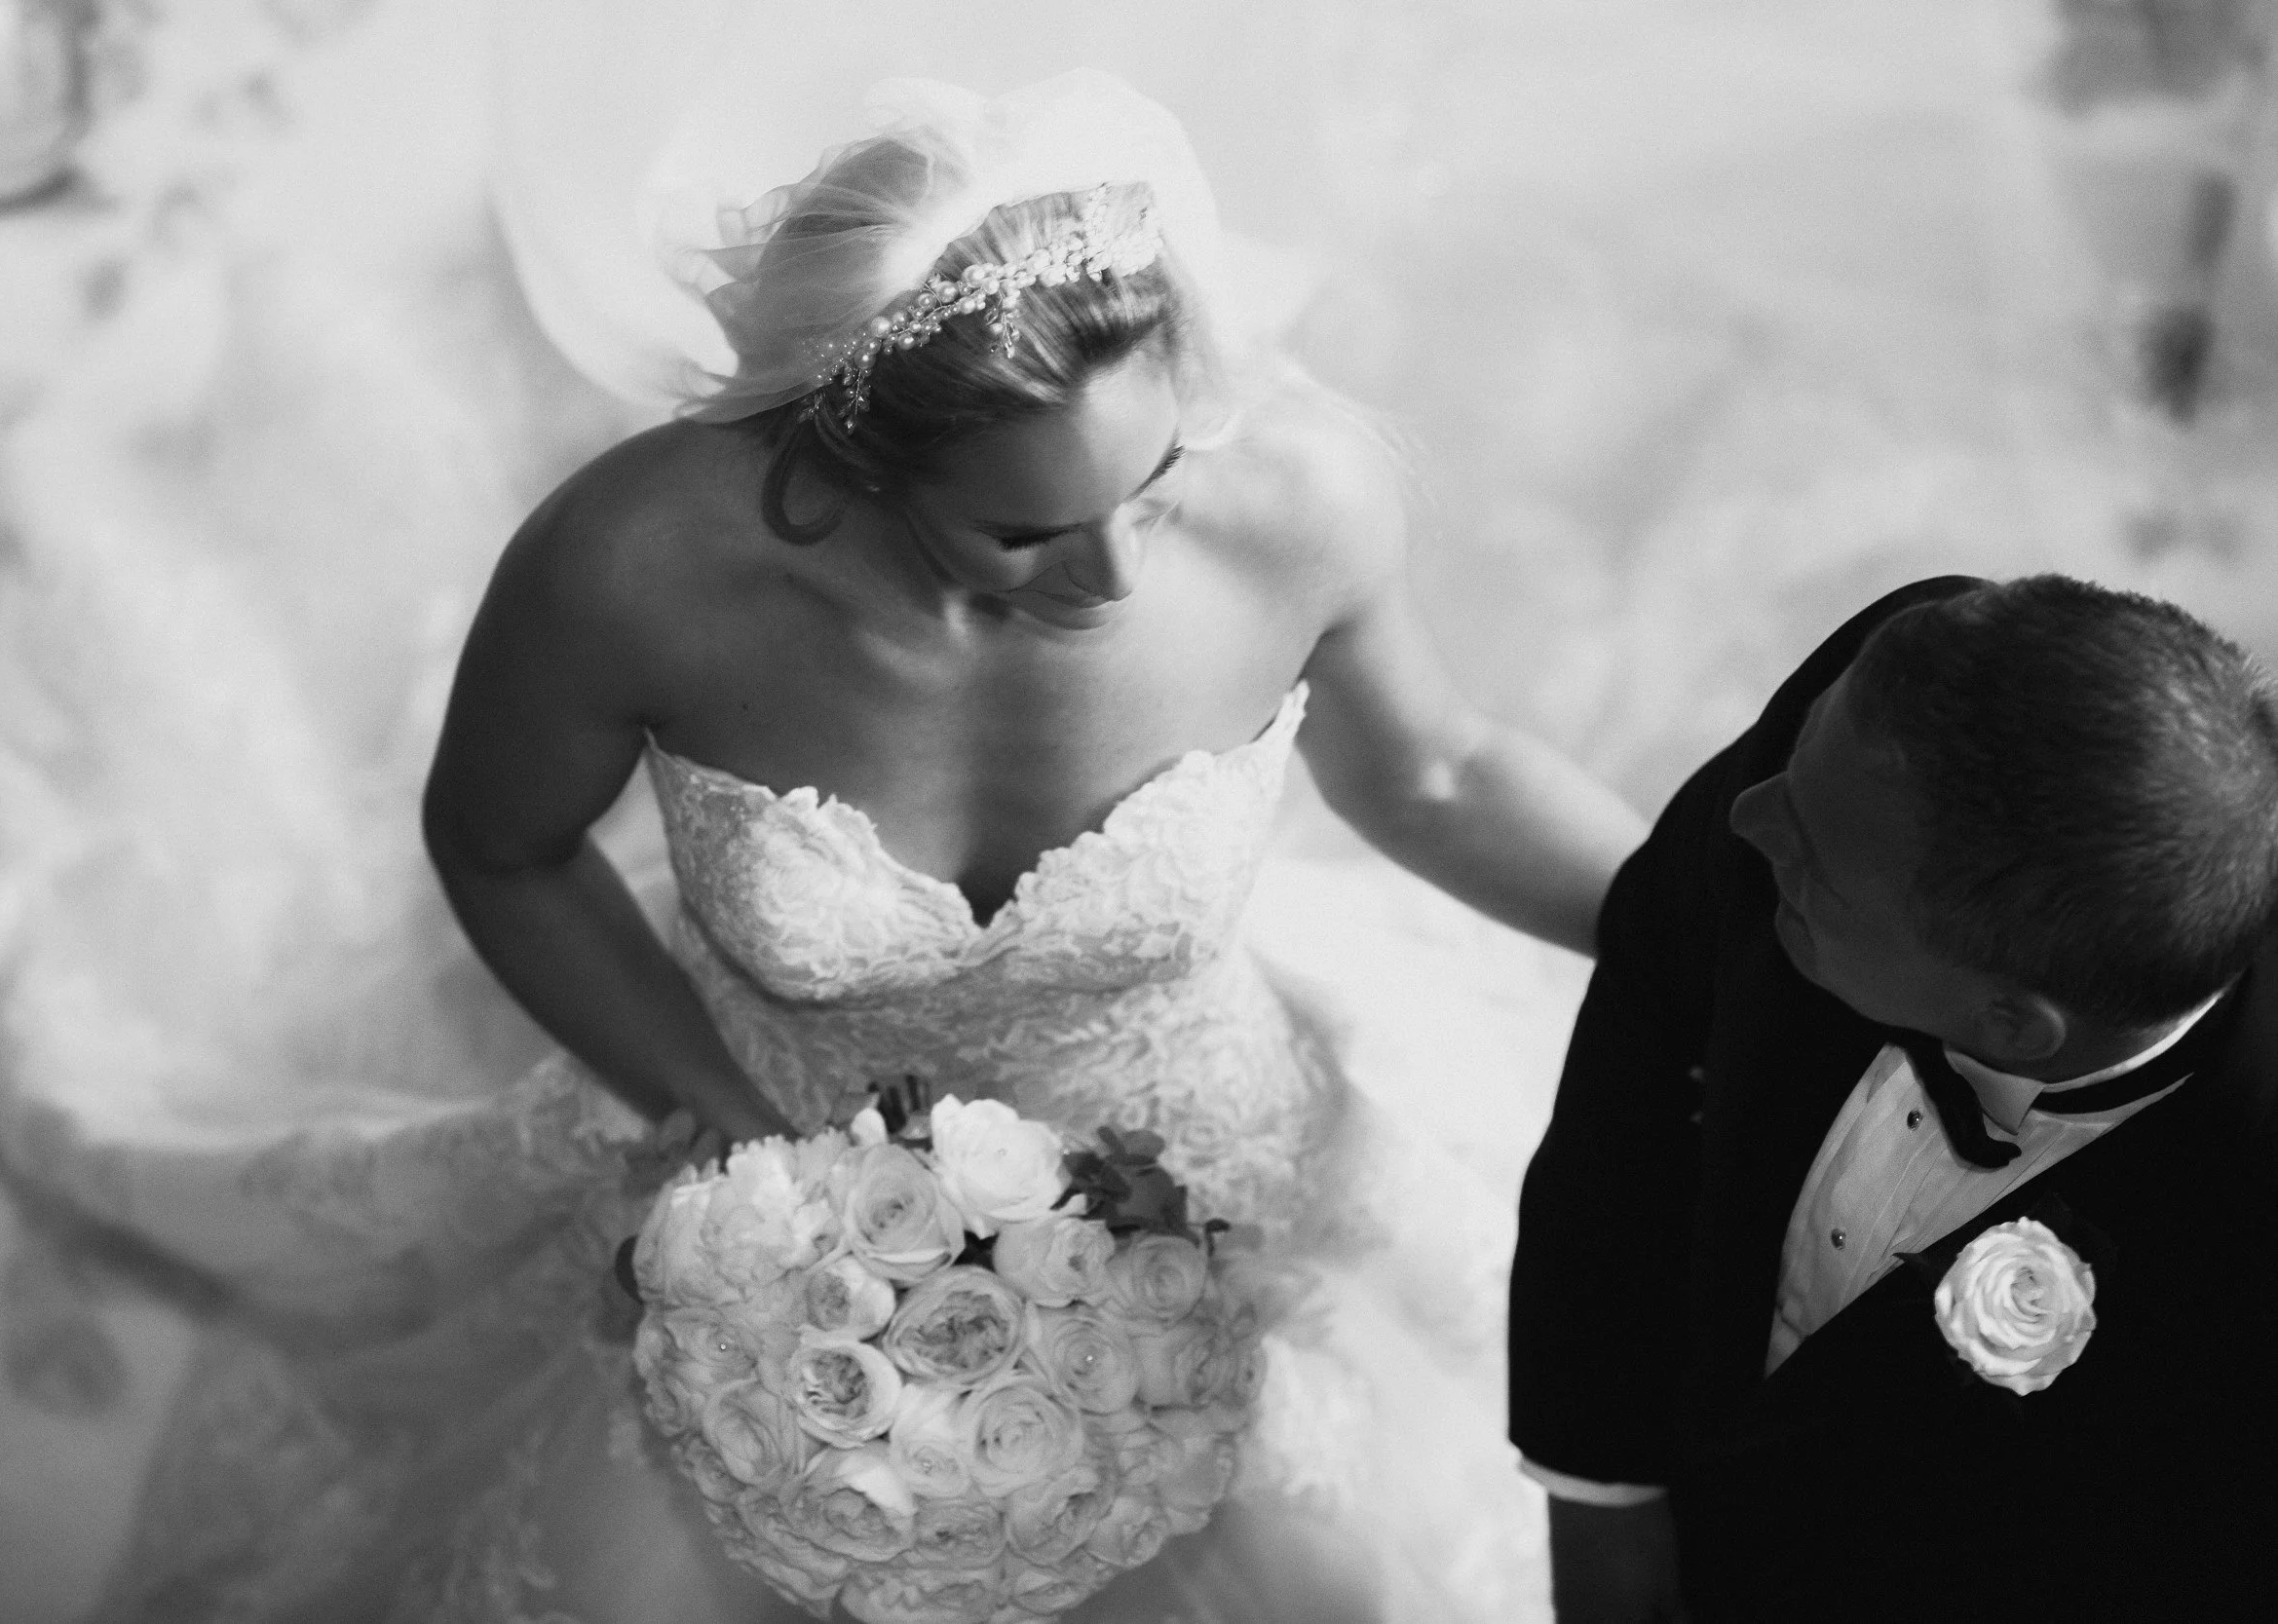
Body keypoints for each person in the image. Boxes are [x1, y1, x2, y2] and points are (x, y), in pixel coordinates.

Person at [408, 69, 1644, 1622]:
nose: (1116, 570)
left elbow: (1443, 775)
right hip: (784, 1173)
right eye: (1025, 532)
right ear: (847, 455)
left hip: (1232, 1168)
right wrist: (736, 1150)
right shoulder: (632, 564)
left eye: (1155, 481)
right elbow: (500, 845)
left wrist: (1720, 930)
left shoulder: (1301, 497)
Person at [1510, 572, 2278, 1621]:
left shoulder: (2242, 1244)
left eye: (1807, 871)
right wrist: (1600, 1488)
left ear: (2009, 1023)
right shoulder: (1872, 729)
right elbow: (1647, 1024)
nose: (1746, 815)